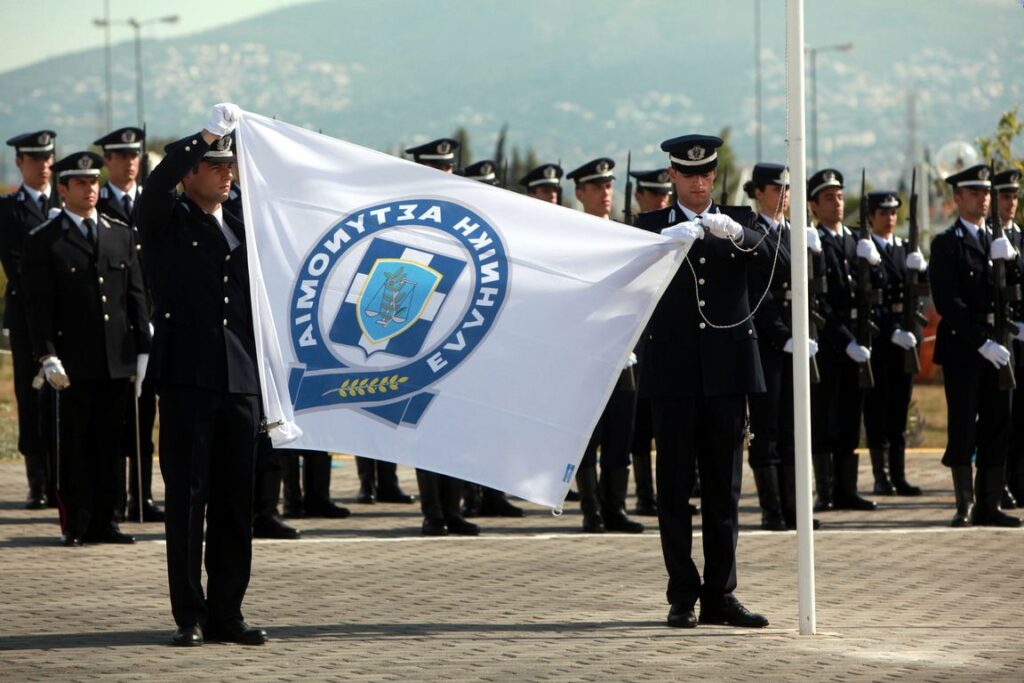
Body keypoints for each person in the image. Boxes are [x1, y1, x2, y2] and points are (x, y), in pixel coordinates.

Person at [137, 103, 268, 646]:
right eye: (215, 164)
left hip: (240, 378)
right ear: (191, 172)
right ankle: (189, 613)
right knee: (189, 502)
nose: (226, 171)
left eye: (229, 163)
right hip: (188, 376)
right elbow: (153, 188)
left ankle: (227, 612)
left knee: (237, 502)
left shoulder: (241, 219)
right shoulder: (167, 219)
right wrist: (205, 135)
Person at [637, 134, 770, 628]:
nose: (698, 182)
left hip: (726, 375)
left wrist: (735, 233)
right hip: (672, 376)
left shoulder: (740, 222)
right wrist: (659, 248)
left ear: (715, 176)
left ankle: (720, 595)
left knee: (724, 493)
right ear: (671, 176)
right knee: (673, 493)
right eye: (688, 174)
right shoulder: (651, 226)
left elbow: (774, 258)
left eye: (706, 174)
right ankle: (682, 593)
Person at [20, 150, 150, 546]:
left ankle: (106, 521)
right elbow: (37, 306)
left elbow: (135, 297)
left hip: (115, 361)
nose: (90, 189)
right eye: (80, 183)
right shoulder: (46, 240)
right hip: (71, 364)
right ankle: (77, 521)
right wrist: (46, 355)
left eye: (93, 181)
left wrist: (143, 351)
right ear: (63, 189)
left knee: (111, 444)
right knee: (74, 445)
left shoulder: (120, 233)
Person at [930, 164, 1022, 528]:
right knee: (964, 425)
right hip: (966, 350)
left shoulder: (1001, 241)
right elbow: (949, 302)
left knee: (999, 425)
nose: (984, 199)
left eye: (987, 192)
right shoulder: (946, 244)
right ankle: (964, 503)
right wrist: (981, 341)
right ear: (957, 198)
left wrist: (1014, 260)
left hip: (1001, 347)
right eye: (975, 192)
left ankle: (990, 502)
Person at [404, 136, 479, 536]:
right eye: (437, 169)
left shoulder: (465, 216)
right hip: (418, 332)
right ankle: (433, 513)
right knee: (423, 426)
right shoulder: (410, 218)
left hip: (458, 331)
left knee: (454, 424)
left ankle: (453, 509)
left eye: (449, 169)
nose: (445, 176)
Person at [564, 157, 644, 534]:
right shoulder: (570, 239)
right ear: (579, 193)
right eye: (596, 187)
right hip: (584, 357)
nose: (605, 193)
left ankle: (615, 509)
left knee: (619, 439)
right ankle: (591, 511)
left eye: (608, 186)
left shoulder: (629, 236)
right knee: (586, 439)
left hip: (623, 356)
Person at [744, 163, 822, 531]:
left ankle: (796, 509)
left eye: (788, 190)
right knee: (767, 428)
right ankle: (772, 510)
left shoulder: (798, 233)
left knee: (796, 427)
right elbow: (757, 296)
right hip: (770, 347)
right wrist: (782, 336)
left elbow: (812, 294)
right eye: (777, 190)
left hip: (797, 342)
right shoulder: (753, 234)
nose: (784, 197)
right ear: (758, 192)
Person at [93, 125, 165, 523]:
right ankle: (114, 496)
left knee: (146, 417)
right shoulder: (98, 204)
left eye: (135, 155)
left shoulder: (152, 201)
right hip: (115, 327)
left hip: (151, 321)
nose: (131, 162)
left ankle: (142, 495)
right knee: (117, 416)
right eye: (122, 156)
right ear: (108, 161)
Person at [807, 169, 878, 512]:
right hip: (830, 345)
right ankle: (826, 490)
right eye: (828, 198)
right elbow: (818, 303)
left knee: (851, 418)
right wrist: (845, 340)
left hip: (857, 343)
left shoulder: (854, 241)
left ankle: (847, 488)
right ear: (813, 205)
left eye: (839, 196)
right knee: (824, 419)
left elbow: (870, 295)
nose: (837, 203)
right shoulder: (815, 243)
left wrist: (874, 263)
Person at [0, 130, 57, 509]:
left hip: (71, 318)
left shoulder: (67, 199)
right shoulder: (9, 209)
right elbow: (16, 264)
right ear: (20, 163)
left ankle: (63, 479)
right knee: (32, 394)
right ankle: (38, 480)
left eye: (48, 158)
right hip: (28, 318)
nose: (44, 166)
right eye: (35, 160)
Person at [862, 190, 928, 497]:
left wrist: (923, 270)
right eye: (883, 213)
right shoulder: (866, 251)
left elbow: (918, 297)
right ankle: (881, 475)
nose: (889, 218)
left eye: (893, 213)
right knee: (878, 409)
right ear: (871, 218)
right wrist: (891, 330)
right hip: (880, 339)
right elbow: (869, 299)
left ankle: (899, 475)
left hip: (906, 339)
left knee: (900, 409)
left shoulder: (905, 249)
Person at [625, 168, 674, 516]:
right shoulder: (630, 233)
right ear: (639, 196)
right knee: (639, 423)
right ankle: (644, 493)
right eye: (653, 194)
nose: (660, 200)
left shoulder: (677, 232)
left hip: (669, 338)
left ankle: (670, 492)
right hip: (637, 339)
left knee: (670, 423)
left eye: (664, 194)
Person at [993, 168, 1023, 507]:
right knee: (1001, 418)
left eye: (1014, 196)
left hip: (1022, 338)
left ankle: (1019, 481)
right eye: (1005, 196)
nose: (1011, 202)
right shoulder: (984, 238)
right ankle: (998, 484)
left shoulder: (1020, 238)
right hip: (998, 342)